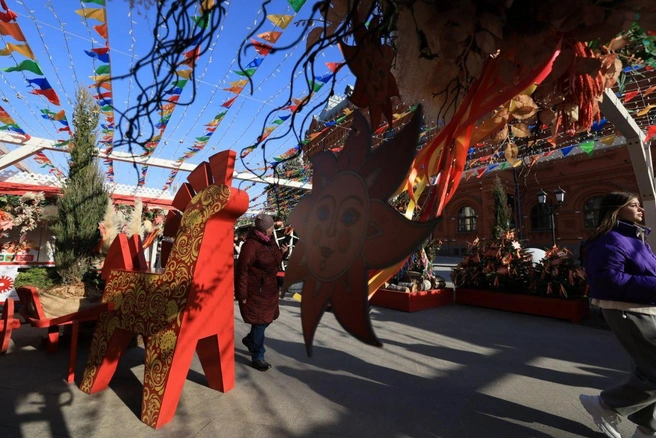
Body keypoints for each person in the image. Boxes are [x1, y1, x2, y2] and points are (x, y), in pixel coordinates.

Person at [579, 191, 656, 438]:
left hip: (644, 307)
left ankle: (647, 428)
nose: (640, 209)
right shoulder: (608, 240)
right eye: (633, 205)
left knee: (647, 372)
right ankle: (606, 405)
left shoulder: (634, 237)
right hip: (627, 311)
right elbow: (607, 281)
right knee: (653, 372)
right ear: (616, 210)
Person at [235, 213, 288, 371]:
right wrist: (242, 294)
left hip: (269, 289)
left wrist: (282, 253)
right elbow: (242, 271)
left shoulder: (270, 240)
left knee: (265, 320)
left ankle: (250, 340)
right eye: (271, 227)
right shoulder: (250, 245)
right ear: (264, 229)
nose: (273, 229)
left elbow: (273, 260)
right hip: (255, 290)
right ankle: (258, 356)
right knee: (260, 322)